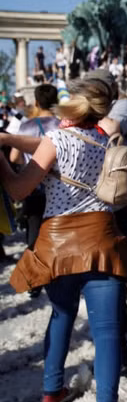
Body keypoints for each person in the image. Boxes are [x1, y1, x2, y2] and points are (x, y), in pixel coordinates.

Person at [0, 70, 127, 402]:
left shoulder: (56, 140)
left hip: (59, 244)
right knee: (107, 331)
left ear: (73, 102)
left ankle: (51, 391)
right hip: (102, 241)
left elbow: (18, 190)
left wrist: (2, 157)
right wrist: (11, 139)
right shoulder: (108, 140)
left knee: (61, 316)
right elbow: (56, 143)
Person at [10, 85, 60, 290]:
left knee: (34, 231)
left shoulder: (26, 126)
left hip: (34, 186)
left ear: (37, 103)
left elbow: (14, 157)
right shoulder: (62, 125)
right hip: (59, 188)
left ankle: (34, 280)